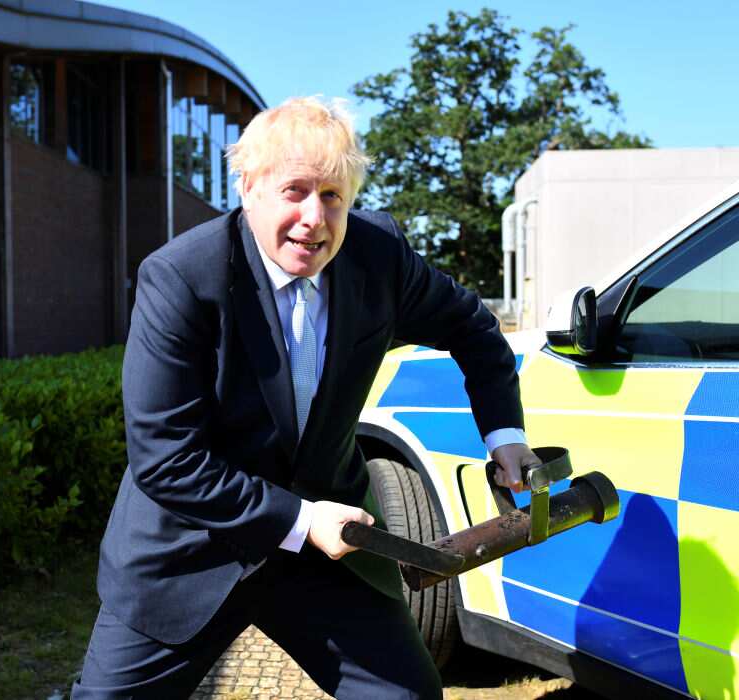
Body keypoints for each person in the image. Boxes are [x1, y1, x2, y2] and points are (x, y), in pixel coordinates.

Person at [72, 96, 540, 700]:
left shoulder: (378, 255)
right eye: (294, 191)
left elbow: (474, 328)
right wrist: (299, 518)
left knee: (406, 695)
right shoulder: (181, 277)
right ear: (248, 188)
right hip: (189, 550)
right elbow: (166, 460)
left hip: (327, 554)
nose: (314, 218)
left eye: (332, 196)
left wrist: (506, 438)